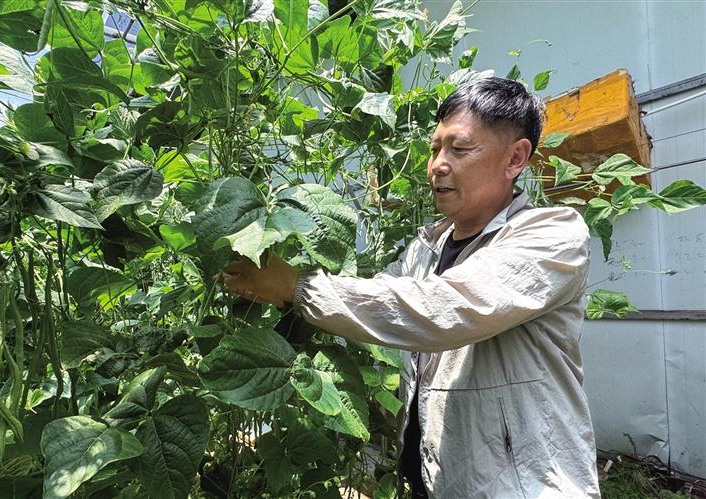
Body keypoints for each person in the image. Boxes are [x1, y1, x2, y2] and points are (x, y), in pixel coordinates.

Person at [221, 77, 601, 498]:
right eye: (435, 149)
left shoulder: (552, 235)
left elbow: (444, 309)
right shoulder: (425, 249)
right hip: (435, 479)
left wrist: (297, 286)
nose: (437, 165)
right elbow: (378, 302)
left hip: (524, 487)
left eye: (459, 149)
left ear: (515, 158)